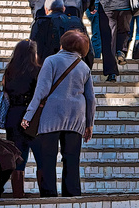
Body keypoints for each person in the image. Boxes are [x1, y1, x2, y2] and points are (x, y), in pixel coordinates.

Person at [22, 30, 96, 197]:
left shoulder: (51, 61)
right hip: (75, 118)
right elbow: (91, 99)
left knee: (48, 158)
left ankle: (49, 194)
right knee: (72, 158)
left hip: (51, 116)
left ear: (62, 44)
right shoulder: (84, 67)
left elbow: (41, 90)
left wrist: (29, 114)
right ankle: (72, 193)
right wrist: (89, 123)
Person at [3, 39, 41, 199]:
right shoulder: (37, 70)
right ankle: (45, 190)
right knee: (40, 154)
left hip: (12, 114)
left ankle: (18, 192)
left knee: (17, 155)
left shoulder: (9, 71)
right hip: (32, 116)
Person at [31, 0, 93, 67]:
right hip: (73, 67)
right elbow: (88, 48)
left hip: (47, 67)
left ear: (46, 10)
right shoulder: (76, 22)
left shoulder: (40, 22)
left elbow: (32, 49)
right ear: (64, 9)